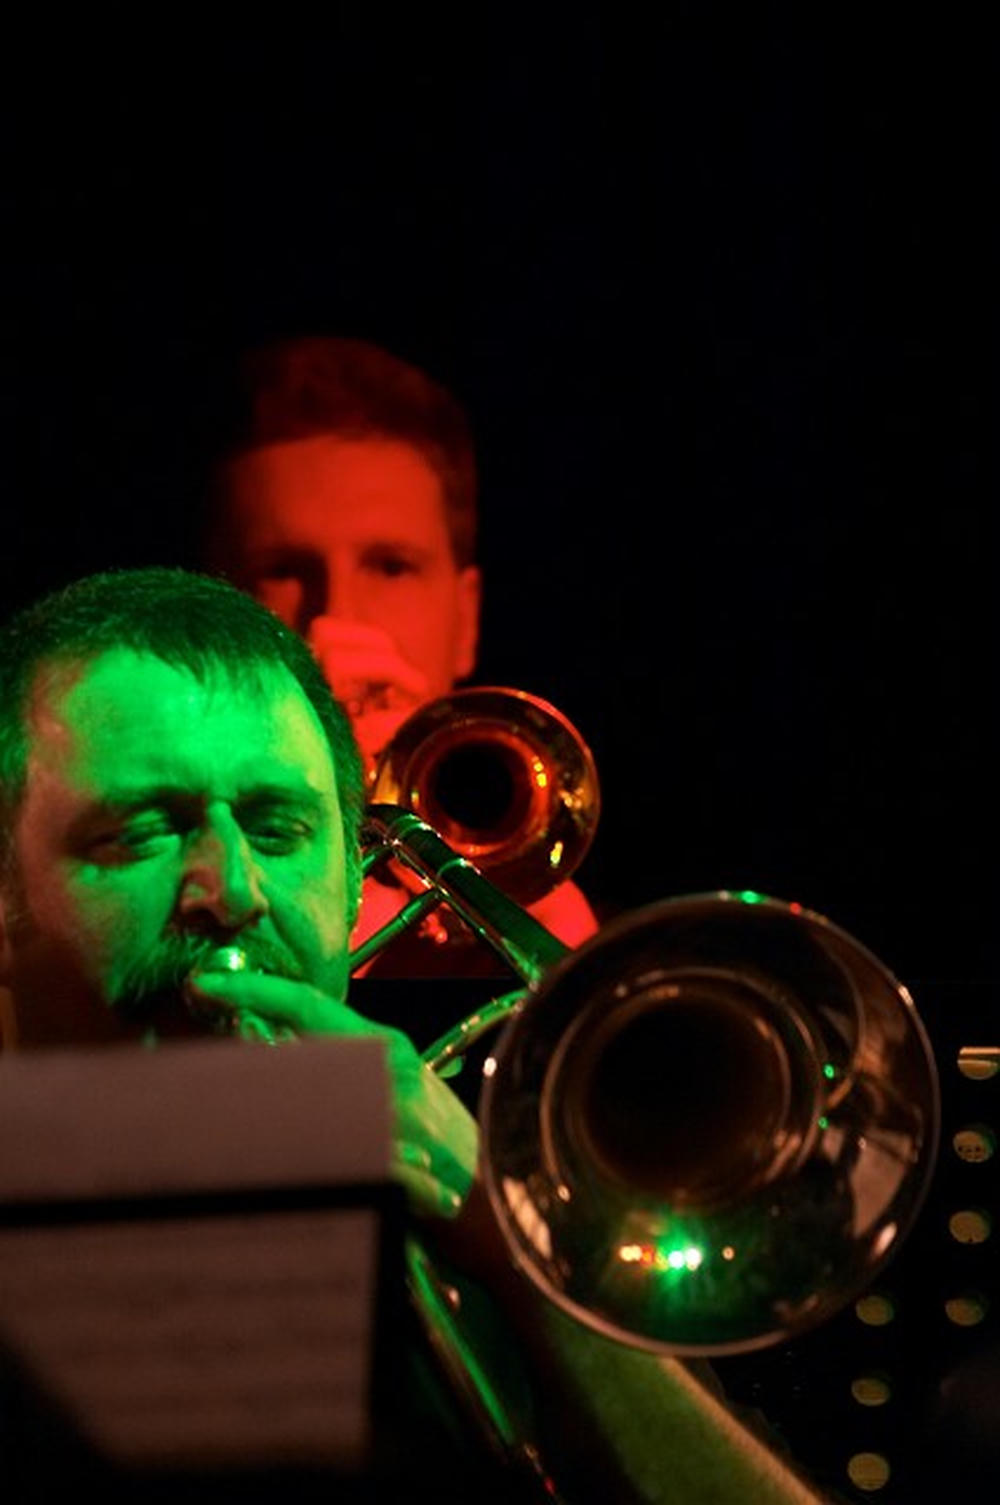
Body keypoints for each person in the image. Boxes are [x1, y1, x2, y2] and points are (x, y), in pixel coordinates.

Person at [0, 565, 828, 1503]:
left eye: (278, 829)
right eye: (143, 831)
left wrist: (516, 1254)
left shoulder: (483, 1224)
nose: (231, 890)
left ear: (356, 880)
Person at [201, 335, 600, 967]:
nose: (336, 619)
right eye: (282, 571)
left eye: (391, 566)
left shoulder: (552, 918)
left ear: (466, 618)